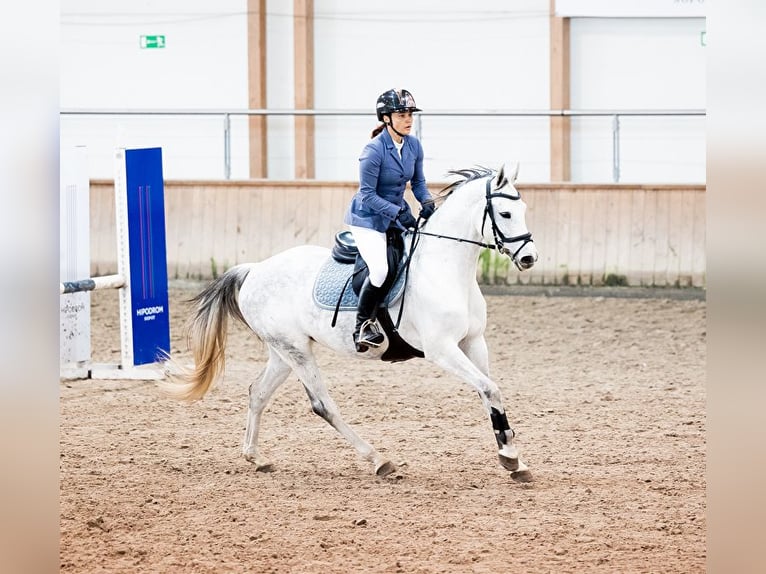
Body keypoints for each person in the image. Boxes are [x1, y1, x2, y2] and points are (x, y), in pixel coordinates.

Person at [344, 88, 436, 352]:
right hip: (367, 219)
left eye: (410, 115)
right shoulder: (373, 151)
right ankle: (362, 325)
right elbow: (367, 194)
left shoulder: (414, 145)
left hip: (396, 213)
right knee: (381, 269)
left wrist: (427, 203)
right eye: (402, 114)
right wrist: (398, 213)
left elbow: (418, 182)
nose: (409, 120)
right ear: (386, 118)